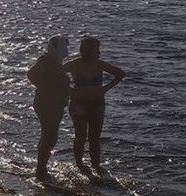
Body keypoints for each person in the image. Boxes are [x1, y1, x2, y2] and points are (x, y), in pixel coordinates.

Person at [63, 37, 126, 173]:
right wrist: (70, 90)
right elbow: (56, 75)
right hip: (78, 104)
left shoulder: (100, 64)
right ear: (89, 50)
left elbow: (120, 74)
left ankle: (96, 165)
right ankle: (79, 164)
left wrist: (105, 88)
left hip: (97, 103)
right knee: (80, 135)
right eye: (97, 49)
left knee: (95, 137)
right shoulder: (74, 64)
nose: (99, 52)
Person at [27, 36, 71, 180]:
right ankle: (41, 170)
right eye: (63, 46)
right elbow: (31, 74)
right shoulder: (46, 60)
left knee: (49, 135)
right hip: (47, 103)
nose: (66, 49)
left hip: (55, 103)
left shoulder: (57, 62)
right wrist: (45, 89)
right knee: (50, 136)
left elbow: (59, 85)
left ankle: (41, 168)